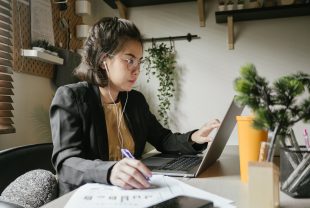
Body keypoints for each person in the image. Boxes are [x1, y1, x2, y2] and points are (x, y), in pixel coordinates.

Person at [50, 17, 220, 195]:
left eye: (140, 61)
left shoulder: (135, 101)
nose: (137, 69)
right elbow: (66, 164)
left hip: (131, 192)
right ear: (103, 60)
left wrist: (194, 137)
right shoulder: (71, 97)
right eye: (129, 60)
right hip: (86, 196)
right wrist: (110, 171)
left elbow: (163, 139)